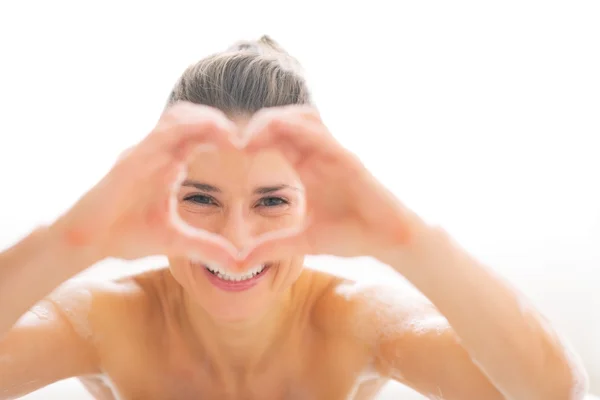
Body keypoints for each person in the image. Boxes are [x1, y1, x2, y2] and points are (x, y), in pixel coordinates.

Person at [0, 35, 589, 400]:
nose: (234, 241)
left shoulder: (357, 325)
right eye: (201, 199)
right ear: (160, 201)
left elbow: (549, 392)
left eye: (271, 202)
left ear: (311, 204)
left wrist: (407, 241)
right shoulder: (108, 323)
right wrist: (70, 242)